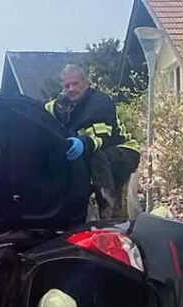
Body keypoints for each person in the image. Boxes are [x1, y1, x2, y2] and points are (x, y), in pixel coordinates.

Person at [48, 64, 141, 219]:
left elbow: (101, 139)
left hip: (124, 150)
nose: (71, 89)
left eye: (75, 83)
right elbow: (44, 110)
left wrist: (82, 143)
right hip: (96, 150)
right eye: (67, 86)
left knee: (98, 157)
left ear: (86, 83)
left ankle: (109, 214)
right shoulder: (64, 105)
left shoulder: (100, 103)